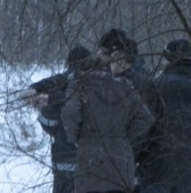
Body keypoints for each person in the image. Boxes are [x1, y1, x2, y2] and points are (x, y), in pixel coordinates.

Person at [61, 55, 155, 193]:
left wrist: (75, 137)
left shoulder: (80, 85)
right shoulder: (125, 87)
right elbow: (146, 117)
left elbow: (69, 113)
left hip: (90, 155)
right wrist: (124, 136)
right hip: (120, 156)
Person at [141, 39, 191, 193]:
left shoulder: (158, 85)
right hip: (188, 168)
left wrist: (138, 157)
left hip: (155, 165)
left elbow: (144, 125)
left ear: (168, 59)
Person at [27, 45, 92, 193]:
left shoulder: (59, 84)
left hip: (62, 156)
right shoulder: (99, 86)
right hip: (89, 160)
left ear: (69, 62)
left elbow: (46, 123)